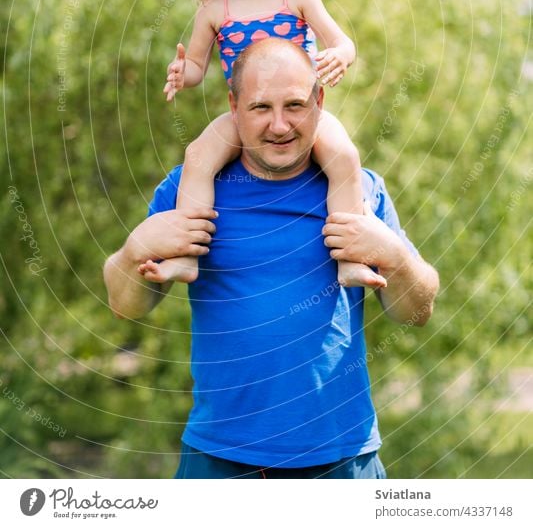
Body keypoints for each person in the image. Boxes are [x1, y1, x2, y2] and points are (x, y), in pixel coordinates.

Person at [104, 38, 440, 479]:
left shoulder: (358, 192)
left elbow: (415, 312)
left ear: (319, 101)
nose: (279, 125)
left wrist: (395, 256)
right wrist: (134, 251)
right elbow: (127, 304)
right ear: (234, 106)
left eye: (295, 105)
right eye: (261, 107)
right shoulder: (189, 192)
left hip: (340, 460)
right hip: (219, 461)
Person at [145, 0, 382, 290]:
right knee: (199, 156)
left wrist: (340, 56)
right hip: (246, 118)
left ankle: (352, 260)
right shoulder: (215, 9)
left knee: (343, 156)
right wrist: (184, 73)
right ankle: (184, 256)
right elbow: (199, 66)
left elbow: (343, 42)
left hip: (300, 113)